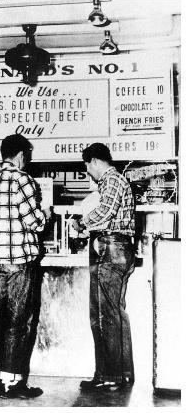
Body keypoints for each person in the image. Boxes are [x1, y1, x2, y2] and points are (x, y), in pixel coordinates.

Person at [0, 134, 48, 399]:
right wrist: (45, 215)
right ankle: (11, 383)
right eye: (26, 156)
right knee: (17, 320)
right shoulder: (23, 180)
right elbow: (33, 221)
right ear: (20, 155)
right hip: (17, 260)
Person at [73, 143, 136, 391]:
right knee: (116, 314)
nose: (89, 172)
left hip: (109, 248)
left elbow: (105, 212)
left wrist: (81, 223)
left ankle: (108, 375)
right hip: (121, 249)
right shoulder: (119, 180)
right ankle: (123, 373)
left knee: (102, 315)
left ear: (96, 161)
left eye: (88, 166)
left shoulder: (111, 180)